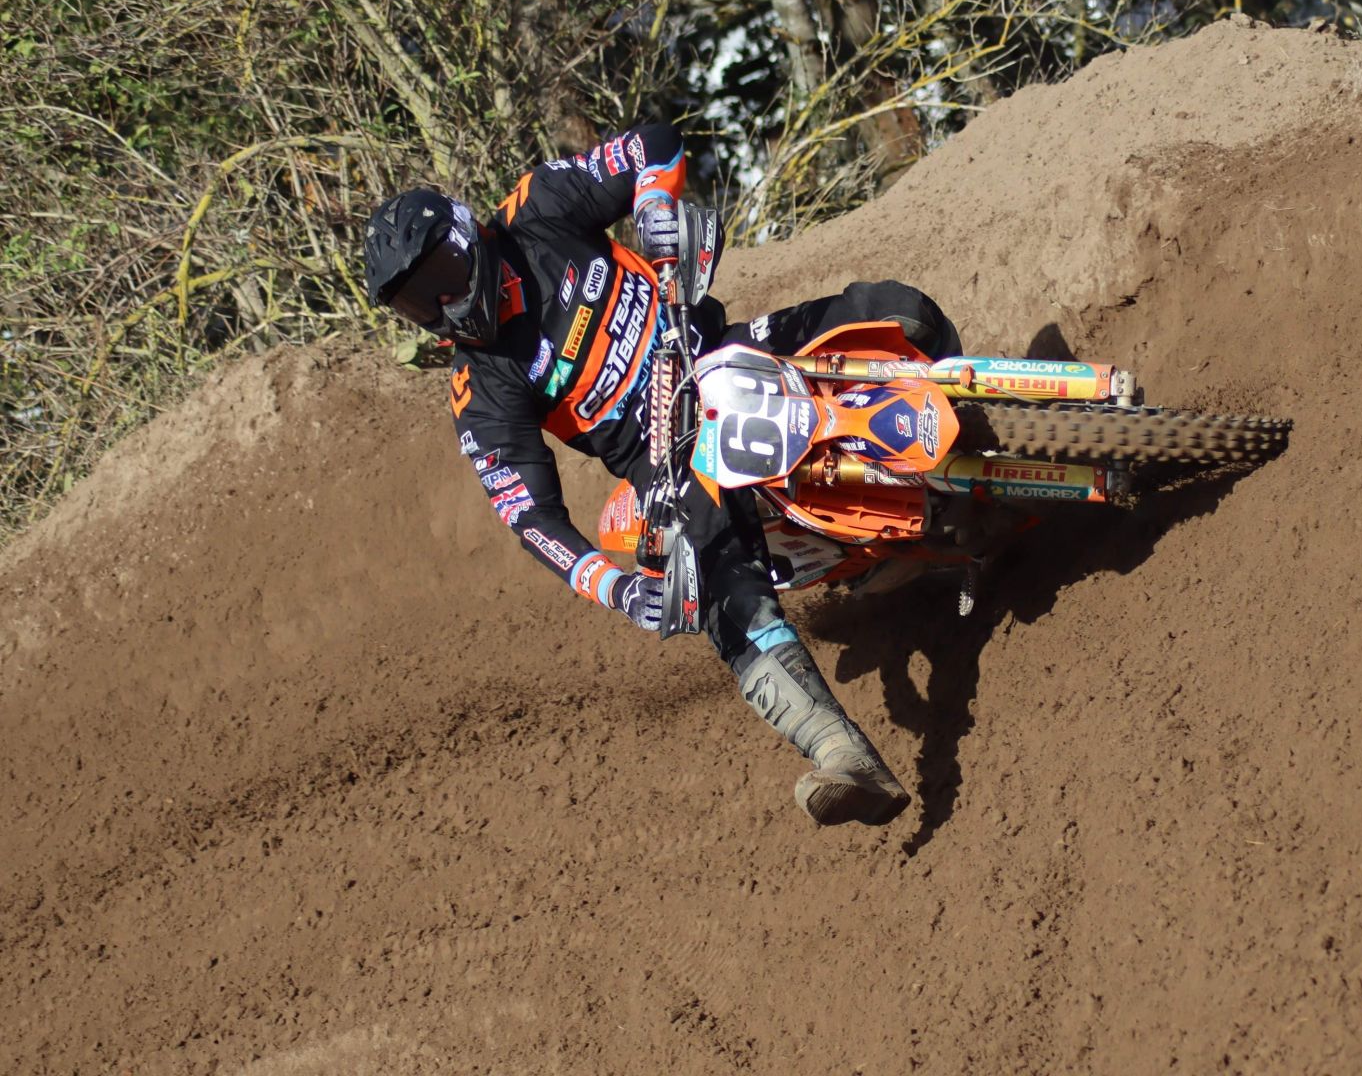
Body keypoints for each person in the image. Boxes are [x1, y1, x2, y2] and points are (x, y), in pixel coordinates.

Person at [362, 123, 959, 827]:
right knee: (708, 580)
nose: (441, 306)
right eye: (417, 303)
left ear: (467, 237)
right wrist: (614, 587)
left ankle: (976, 428)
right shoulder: (479, 390)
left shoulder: (536, 210)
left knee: (897, 313)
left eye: (439, 278)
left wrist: (652, 209)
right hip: (668, 457)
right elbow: (529, 515)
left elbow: (652, 144)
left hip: (722, 353)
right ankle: (839, 753)